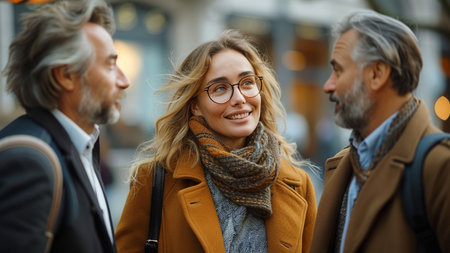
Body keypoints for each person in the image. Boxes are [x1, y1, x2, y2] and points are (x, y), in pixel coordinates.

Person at [115, 29, 317, 253]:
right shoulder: (156, 179)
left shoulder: (298, 184)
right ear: (195, 106)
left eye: (247, 82)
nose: (239, 98)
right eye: (220, 88)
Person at [310, 10, 450, 253]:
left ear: (377, 74)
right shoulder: (343, 165)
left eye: (339, 70)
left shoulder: (440, 167)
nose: (328, 85)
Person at [0, 0, 130, 252]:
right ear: (66, 75)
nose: (123, 80)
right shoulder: (29, 162)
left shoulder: (83, 145)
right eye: (110, 64)